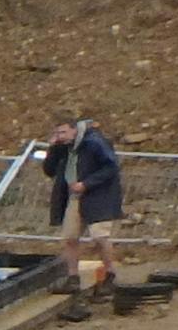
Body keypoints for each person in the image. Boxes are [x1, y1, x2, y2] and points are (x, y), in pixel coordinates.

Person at [37, 117, 123, 294]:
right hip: (74, 196)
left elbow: (111, 167)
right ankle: (73, 277)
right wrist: (53, 149)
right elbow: (49, 170)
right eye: (57, 133)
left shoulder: (94, 142)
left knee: (100, 237)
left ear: (74, 129)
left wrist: (87, 183)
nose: (60, 136)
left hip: (99, 195)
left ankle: (110, 274)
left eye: (63, 132)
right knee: (70, 237)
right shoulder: (63, 147)